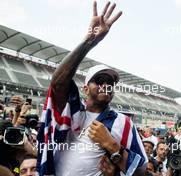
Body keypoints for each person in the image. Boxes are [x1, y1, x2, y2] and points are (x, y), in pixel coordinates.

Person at [37, 1, 147, 176]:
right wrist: (89, 40)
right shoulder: (70, 110)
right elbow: (57, 83)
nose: (106, 85)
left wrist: (112, 146)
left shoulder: (123, 123)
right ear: (85, 89)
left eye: (110, 83)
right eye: (99, 80)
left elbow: (141, 171)